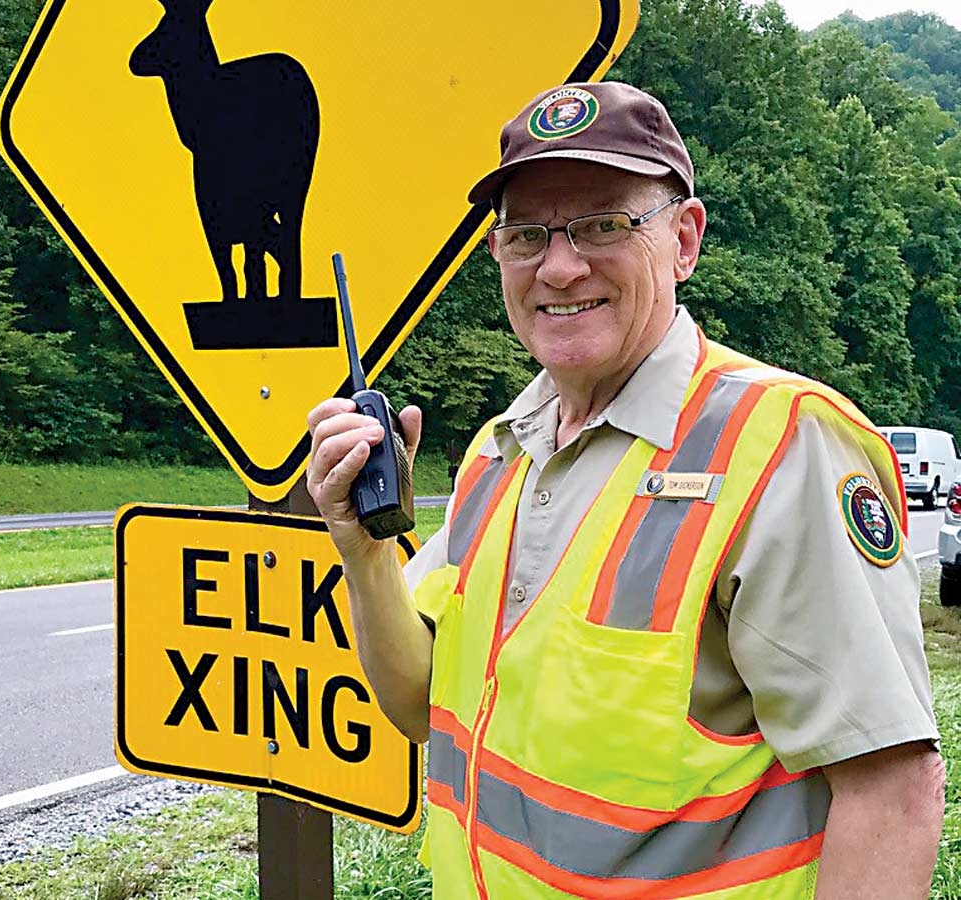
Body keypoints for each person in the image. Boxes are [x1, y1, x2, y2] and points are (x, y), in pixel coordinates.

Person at [306, 81, 945, 899]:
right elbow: (420, 704)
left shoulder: (784, 444)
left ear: (684, 240)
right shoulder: (499, 453)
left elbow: (892, 790)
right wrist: (362, 554)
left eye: (604, 224)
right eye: (526, 234)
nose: (560, 266)